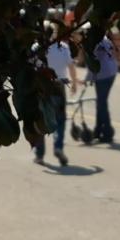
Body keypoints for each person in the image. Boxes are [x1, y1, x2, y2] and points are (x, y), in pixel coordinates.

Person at [33, 21, 77, 166]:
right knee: (60, 120)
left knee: (41, 120)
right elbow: (71, 66)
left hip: (42, 88)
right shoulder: (63, 47)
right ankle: (58, 147)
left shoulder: (36, 48)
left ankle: (39, 155)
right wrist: (74, 83)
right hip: (59, 87)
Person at [88, 29, 118, 145]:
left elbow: (93, 63)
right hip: (110, 72)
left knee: (102, 103)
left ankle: (107, 132)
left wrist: (87, 79)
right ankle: (98, 130)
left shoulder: (95, 43)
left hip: (103, 75)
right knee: (100, 102)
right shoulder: (105, 39)